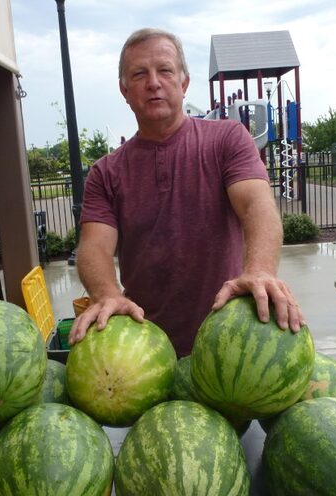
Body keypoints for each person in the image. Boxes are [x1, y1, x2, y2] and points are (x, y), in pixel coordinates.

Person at [68, 28, 305, 356]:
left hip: (231, 341)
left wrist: (260, 270)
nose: (153, 82)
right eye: (139, 74)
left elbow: (256, 206)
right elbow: (93, 247)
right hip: (145, 350)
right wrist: (108, 293)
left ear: (184, 83)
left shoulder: (227, 140)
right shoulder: (105, 173)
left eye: (164, 70)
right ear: (124, 90)